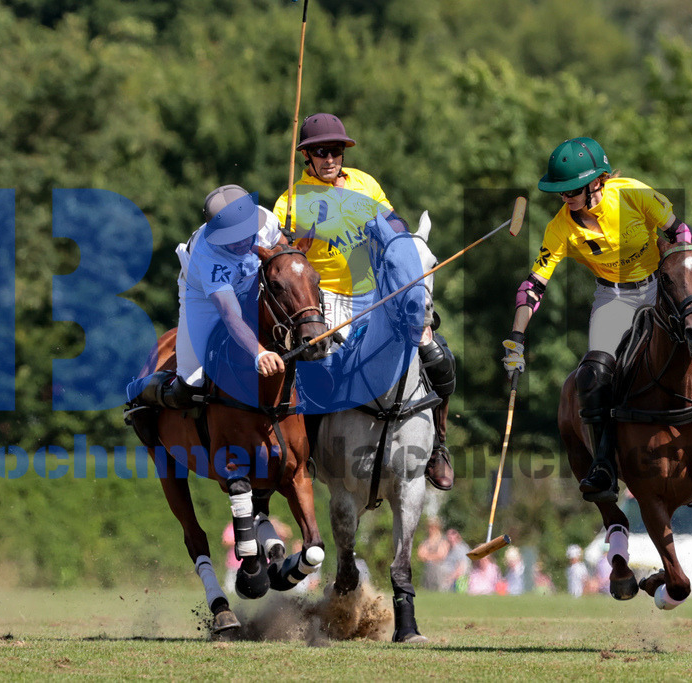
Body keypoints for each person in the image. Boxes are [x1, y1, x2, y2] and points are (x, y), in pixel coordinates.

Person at [501, 137, 692, 502]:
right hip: (613, 297)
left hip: (663, 287)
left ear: (597, 182)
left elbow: (679, 233)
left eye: (572, 189)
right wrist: (516, 338)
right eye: (561, 191)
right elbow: (533, 287)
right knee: (594, 372)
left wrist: (684, 279)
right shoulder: (560, 228)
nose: (566, 197)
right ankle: (603, 461)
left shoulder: (633, 194)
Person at [273, 113, 457, 491]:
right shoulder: (291, 202)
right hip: (323, 301)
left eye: (336, 151)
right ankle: (305, 456)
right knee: (312, 373)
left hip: (376, 296)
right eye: (321, 152)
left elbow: (393, 225)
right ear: (307, 156)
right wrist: (296, 242)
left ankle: (438, 446)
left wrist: (404, 243)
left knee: (437, 354)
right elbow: (284, 261)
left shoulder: (365, 184)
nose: (330, 159)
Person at [128, 185, 286, 408]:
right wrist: (259, 354)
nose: (242, 242)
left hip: (250, 279)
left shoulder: (265, 219)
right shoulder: (209, 257)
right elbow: (231, 316)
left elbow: (284, 256)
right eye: (233, 237)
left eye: (245, 234)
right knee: (190, 383)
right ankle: (141, 391)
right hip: (202, 296)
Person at [416, 517, 451, 591]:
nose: (430, 529)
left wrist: (427, 556)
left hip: (440, 572)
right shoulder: (425, 541)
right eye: (429, 527)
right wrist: (433, 555)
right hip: (428, 571)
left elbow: (441, 555)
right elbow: (420, 555)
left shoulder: (443, 540)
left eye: (433, 527)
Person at [440, 528, 471, 592]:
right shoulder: (448, 549)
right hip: (447, 577)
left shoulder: (461, 549)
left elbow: (462, 567)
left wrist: (450, 578)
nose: (450, 537)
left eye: (453, 534)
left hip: (457, 580)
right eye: (448, 535)